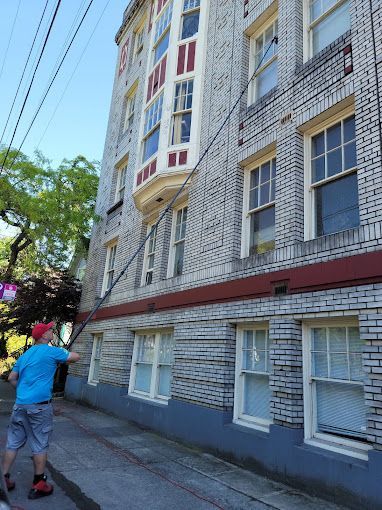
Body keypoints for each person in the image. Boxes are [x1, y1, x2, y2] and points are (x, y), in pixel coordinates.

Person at [1, 321, 80, 500]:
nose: (52, 331)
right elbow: (76, 357)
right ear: (44, 335)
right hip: (39, 406)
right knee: (40, 443)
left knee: (13, 443)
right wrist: (65, 352)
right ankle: (39, 484)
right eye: (51, 330)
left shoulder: (26, 355)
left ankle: (4, 479)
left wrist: (22, 391)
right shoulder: (52, 351)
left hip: (20, 405)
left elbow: (12, 378)